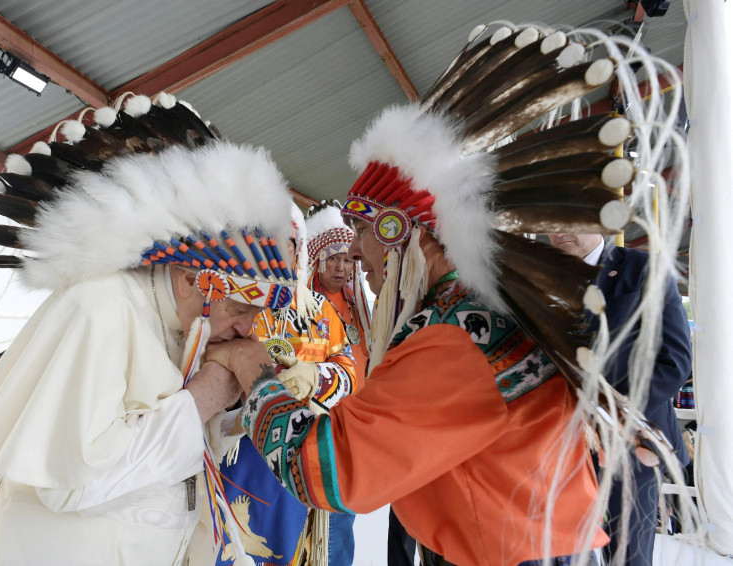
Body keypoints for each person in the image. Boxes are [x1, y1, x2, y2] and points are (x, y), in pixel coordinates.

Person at [201, 22, 689, 566]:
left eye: (363, 233)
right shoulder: (480, 308)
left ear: (403, 234)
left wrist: (255, 372)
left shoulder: (458, 334)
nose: (360, 256)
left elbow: (332, 468)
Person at [0, 93, 299, 566]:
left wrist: (234, 399)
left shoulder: (179, 319)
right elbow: (71, 483)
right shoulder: (102, 308)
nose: (247, 330)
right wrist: (208, 393)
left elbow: (171, 439)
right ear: (194, 278)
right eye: (240, 309)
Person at [214, 204, 358, 566]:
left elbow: (349, 373)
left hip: (301, 449)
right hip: (238, 451)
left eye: (288, 243)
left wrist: (316, 378)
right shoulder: (234, 302)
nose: (278, 252)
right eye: (269, 242)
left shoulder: (323, 314)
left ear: (301, 248)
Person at [548, 232, 692, 566]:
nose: (558, 230)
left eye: (569, 219)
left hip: (630, 444)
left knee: (628, 555)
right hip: (558, 440)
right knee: (556, 550)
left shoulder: (643, 269)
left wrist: (610, 416)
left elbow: (674, 361)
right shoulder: (542, 273)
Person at [305, 200, 371, 378]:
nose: (340, 268)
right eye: (333, 258)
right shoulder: (304, 304)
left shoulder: (359, 305)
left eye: (347, 260)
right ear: (319, 262)